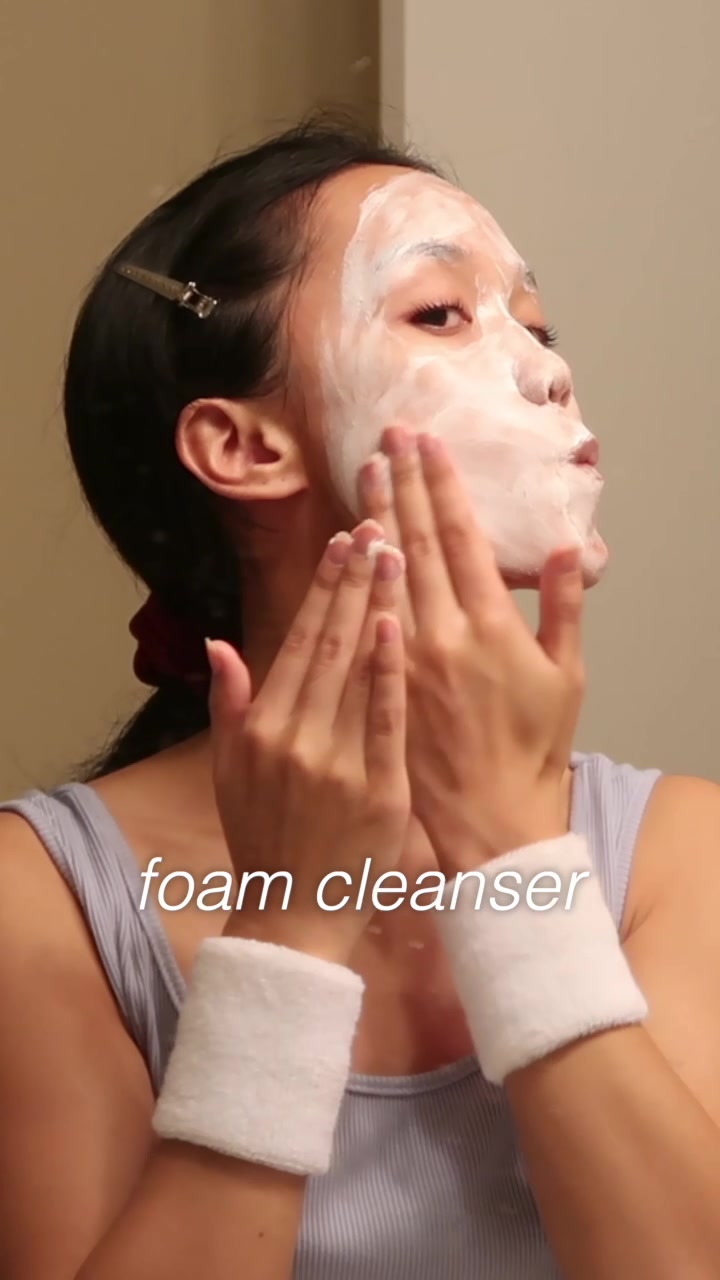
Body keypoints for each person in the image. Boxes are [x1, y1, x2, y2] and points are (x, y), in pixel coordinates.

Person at [1, 117, 720, 1280]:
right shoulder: (42, 901)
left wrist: (510, 858)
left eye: (537, 325)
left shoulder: (682, 850)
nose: (547, 370)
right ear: (242, 446)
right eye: (442, 314)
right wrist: (289, 931)